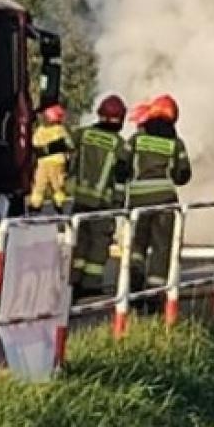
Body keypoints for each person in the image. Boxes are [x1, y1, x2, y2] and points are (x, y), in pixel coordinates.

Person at [125, 93, 192, 295]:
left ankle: (134, 277)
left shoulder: (136, 139)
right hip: (165, 201)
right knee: (162, 247)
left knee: (137, 243)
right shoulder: (176, 144)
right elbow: (183, 174)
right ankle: (155, 291)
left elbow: (122, 166)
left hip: (138, 199)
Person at [67, 93, 132, 297]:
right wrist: (120, 203)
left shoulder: (83, 134)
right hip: (102, 203)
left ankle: (74, 280)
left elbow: (62, 145)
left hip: (80, 199)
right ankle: (91, 284)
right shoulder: (120, 145)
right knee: (99, 244)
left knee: (80, 241)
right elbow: (121, 177)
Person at [27, 104, 73, 212]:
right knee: (57, 186)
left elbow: (34, 143)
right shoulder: (60, 130)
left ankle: (35, 205)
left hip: (42, 163)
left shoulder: (40, 130)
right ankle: (60, 204)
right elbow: (69, 144)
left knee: (39, 185)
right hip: (57, 162)